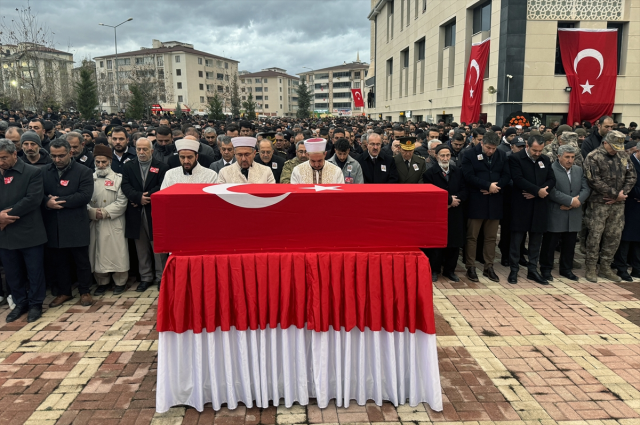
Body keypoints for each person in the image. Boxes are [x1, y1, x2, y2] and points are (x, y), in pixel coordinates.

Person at [42, 138, 95, 307]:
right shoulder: (44, 171)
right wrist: (46, 203)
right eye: (54, 156)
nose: (57, 160)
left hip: (75, 223)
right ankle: (64, 292)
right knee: (59, 261)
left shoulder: (83, 171)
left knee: (81, 261)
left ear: (70, 153)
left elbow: (84, 196)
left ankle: (85, 291)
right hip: (53, 224)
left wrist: (59, 201)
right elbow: (37, 194)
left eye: (61, 156)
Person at [0, 139, 47, 322]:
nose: (1, 162)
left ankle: (36, 303)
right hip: (5, 234)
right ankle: (20, 302)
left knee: (34, 271)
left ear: (14, 154)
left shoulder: (32, 172)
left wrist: (5, 216)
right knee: (12, 272)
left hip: (29, 232)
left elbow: (33, 199)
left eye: (4, 158)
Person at [583, 130, 637, 282]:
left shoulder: (623, 156)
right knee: (595, 235)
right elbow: (593, 180)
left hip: (618, 204)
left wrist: (622, 194)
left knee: (614, 236)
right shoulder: (593, 157)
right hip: (598, 204)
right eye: (613, 147)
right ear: (605, 142)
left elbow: (631, 176)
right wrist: (615, 194)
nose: (616, 150)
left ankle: (605, 267)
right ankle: (591, 267)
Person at [461, 131, 511, 282]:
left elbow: (507, 175)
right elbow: (468, 176)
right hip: (476, 201)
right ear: (482, 143)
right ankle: (470, 266)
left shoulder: (501, 155)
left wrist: (496, 187)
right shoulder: (469, 154)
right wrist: (487, 185)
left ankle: (489, 266)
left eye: (493, 148)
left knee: (491, 237)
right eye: (488, 147)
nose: (491, 151)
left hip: (495, 200)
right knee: (472, 237)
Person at [121, 138, 169, 292]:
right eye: (139, 149)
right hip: (135, 211)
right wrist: (137, 197)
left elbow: (162, 186)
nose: (141, 152)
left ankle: (161, 277)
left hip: (154, 211)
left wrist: (146, 197)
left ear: (152, 151)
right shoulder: (128, 166)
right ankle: (146, 277)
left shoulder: (161, 167)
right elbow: (125, 186)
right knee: (141, 247)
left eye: (145, 149)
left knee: (157, 247)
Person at [507, 134, 557, 285]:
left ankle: (533, 270)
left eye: (540, 150)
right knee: (517, 240)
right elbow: (517, 179)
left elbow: (552, 179)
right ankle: (514, 270)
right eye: (535, 150)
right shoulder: (515, 158)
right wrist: (537, 190)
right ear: (527, 146)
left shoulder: (545, 160)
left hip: (539, 205)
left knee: (536, 239)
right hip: (521, 205)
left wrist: (539, 192)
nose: (537, 153)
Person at [539, 144, 591, 281]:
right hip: (556, 211)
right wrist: (569, 201)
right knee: (550, 243)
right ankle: (546, 268)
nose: (570, 160)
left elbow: (586, 188)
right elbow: (551, 190)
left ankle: (566, 269)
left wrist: (577, 201)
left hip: (573, 212)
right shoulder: (551, 169)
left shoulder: (578, 170)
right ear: (559, 157)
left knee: (570, 243)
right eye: (567, 157)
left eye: (572, 157)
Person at [88, 145, 129, 295]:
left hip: (113, 221)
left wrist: (105, 212)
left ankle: (120, 281)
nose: (101, 165)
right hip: (94, 221)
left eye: (104, 162)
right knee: (96, 251)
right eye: (98, 162)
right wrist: (92, 212)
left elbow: (122, 202)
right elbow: (83, 199)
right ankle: (102, 282)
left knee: (117, 251)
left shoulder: (119, 179)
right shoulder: (88, 178)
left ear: (110, 161)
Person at [423, 144, 467, 282]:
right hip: (438, 214)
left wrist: (455, 200)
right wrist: (448, 200)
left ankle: (450, 270)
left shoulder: (457, 172)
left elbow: (465, 190)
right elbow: (431, 194)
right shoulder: (429, 174)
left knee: (453, 243)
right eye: (442, 155)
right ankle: (434, 270)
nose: (445, 158)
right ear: (436, 156)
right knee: (437, 244)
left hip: (455, 212)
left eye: (448, 155)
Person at [612, 141, 640, 281]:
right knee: (625, 238)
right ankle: (621, 267)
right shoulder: (629, 162)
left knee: (638, 239)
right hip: (629, 204)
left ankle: (637, 268)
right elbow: (627, 182)